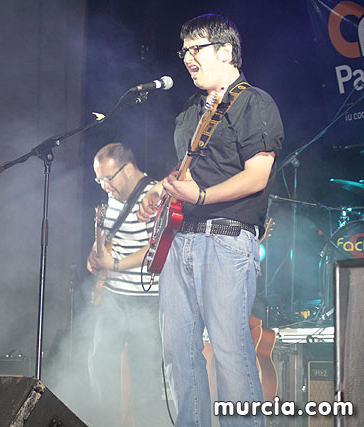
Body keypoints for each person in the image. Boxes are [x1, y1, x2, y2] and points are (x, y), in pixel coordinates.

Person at [137, 14, 284, 427]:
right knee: (178, 353)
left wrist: (201, 196)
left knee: (230, 352)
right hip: (180, 239)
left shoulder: (255, 103)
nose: (187, 57)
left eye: (195, 48)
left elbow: (257, 175)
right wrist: (160, 192)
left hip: (226, 239)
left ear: (225, 51)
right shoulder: (191, 109)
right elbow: (189, 168)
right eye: (183, 50)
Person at [87, 143, 169, 427]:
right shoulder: (113, 197)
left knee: (145, 379)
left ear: (129, 169)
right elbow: (110, 234)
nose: (104, 186)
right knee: (99, 366)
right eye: (99, 180)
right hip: (112, 298)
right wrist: (95, 254)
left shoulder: (152, 197)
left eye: (108, 178)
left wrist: (116, 265)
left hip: (145, 302)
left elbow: (156, 248)